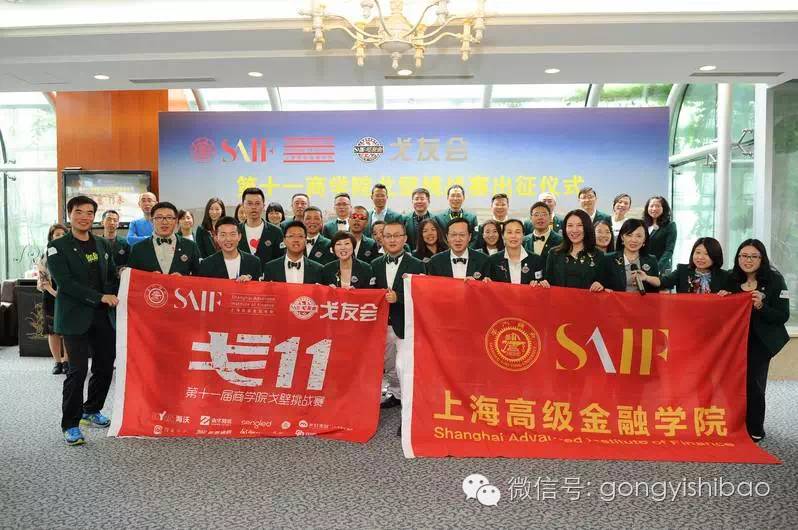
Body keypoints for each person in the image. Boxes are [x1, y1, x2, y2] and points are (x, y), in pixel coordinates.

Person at [47, 196, 119, 446]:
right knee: (77, 371)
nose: (84, 217)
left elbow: (110, 276)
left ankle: (92, 410)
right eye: (79, 212)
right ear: (70, 215)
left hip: (103, 316)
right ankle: (70, 424)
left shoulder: (102, 244)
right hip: (74, 317)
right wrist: (100, 297)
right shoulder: (57, 247)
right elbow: (65, 284)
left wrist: (124, 277)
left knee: (105, 366)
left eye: (89, 213)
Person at [724, 239, 789, 442]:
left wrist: (761, 306)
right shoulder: (730, 278)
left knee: (754, 383)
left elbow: (782, 315)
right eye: (744, 256)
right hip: (734, 340)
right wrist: (722, 299)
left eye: (754, 256)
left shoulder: (775, 280)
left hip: (761, 341)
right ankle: (733, 424)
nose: (748, 260)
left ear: (762, 259)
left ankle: (755, 428)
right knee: (731, 383)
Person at [371, 221, 425, 413]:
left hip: (406, 325)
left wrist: (398, 298)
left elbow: (423, 296)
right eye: (388, 236)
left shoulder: (418, 265)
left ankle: (408, 407)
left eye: (397, 236)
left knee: (404, 366)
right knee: (389, 364)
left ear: (405, 238)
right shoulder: (375, 264)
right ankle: (395, 394)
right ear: (381, 239)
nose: (392, 240)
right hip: (382, 325)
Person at [127, 201, 201, 275]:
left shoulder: (191, 246)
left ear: (176, 221)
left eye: (169, 218)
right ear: (152, 221)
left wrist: (183, 280)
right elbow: (131, 277)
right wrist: (148, 278)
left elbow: (199, 276)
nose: (164, 222)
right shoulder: (138, 249)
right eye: (159, 217)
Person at [541, 209, 605, 291]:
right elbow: (548, 283)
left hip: (587, 299)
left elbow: (603, 284)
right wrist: (543, 283)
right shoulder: (554, 253)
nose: (574, 230)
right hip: (559, 299)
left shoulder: (598, 255)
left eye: (579, 225)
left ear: (587, 227)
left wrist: (600, 286)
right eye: (570, 225)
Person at [37, 223, 69, 374]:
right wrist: (53, 292)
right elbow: (42, 278)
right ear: (51, 238)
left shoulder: (72, 253)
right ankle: (58, 362)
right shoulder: (45, 255)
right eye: (57, 235)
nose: (60, 237)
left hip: (69, 294)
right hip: (50, 294)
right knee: (52, 330)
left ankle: (67, 361)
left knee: (69, 330)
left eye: (63, 234)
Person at [600, 218, 660, 293]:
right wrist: (603, 289)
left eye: (639, 236)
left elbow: (657, 286)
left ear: (644, 239)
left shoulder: (651, 260)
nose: (634, 240)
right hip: (616, 300)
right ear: (622, 237)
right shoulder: (608, 259)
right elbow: (600, 285)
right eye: (629, 235)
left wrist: (647, 278)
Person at [197, 216, 262, 281]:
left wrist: (249, 284)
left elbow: (259, 286)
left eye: (232, 234)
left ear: (239, 236)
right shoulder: (207, 264)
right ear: (216, 238)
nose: (228, 239)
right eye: (223, 235)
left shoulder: (254, 262)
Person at [659, 237, 729, 293]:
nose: (700, 257)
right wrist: (651, 278)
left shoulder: (724, 276)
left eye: (707, 254)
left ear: (715, 256)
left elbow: (734, 292)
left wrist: (728, 293)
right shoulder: (682, 271)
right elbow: (662, 282)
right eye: (698, 252)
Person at [237, 187, 284, 266]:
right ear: (243, 205)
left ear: (263, 206)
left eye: (257, 203)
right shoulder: (235, 231)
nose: (254, 207)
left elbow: (281, 259)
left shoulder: (276, 231)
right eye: (249, 203)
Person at [488, 219, 543, 284]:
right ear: (502, 236)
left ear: (523, 235)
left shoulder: (536, 260)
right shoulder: (493, 260)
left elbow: (540, 282)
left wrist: (539, 283)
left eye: (517, 232)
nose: (513, 236)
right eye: (509, 232)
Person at [643, 195, 677, 273]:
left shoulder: (670, 225)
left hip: (661, 269)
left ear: (664, 208)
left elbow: (669, 250)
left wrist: (657, 268)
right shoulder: (643, 224)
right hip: (643, 266)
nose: (654, 209)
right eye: (651, 206)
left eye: (658, 206)